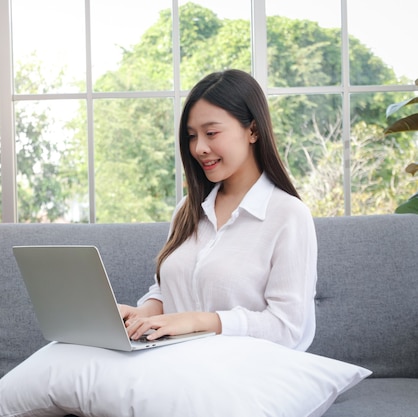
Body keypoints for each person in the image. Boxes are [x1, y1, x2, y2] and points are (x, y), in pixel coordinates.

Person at [119, 69, 318, 351]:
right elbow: (167, 290)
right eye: (191, 136)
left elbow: (287, 329)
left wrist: (202, 322)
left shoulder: (288, 215)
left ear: (253, 130)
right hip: (175, 360)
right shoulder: (188, 210)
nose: (199, 148)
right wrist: (143, 314)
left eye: (211, 133)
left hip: (246, 368)